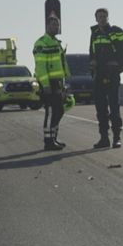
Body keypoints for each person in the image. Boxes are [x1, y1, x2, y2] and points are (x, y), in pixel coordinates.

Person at [89, 8, 123, 148]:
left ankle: (117, 138)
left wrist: (119, 63)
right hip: (99, 76)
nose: (102, 19)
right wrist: (92, 64)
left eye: (104, 16)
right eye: (99, 16)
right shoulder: (95, 34)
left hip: (112, 74)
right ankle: (104, 138)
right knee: (101, 109)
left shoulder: (116, 31)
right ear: (96, 18)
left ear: (108, 17)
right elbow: (91, 52)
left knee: (114, 107)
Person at [33, 16, 69, 151]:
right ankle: (48, 141)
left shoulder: (56, 42)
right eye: (53, 25)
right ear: (47, 26)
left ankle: (53, 137)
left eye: (57, 25)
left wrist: (64, 82)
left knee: (59, 111)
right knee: (51, 111)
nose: (56, 27)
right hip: (49, 83)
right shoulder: (42, 43)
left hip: (58, 82)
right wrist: (46, 85)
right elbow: (41, 67)